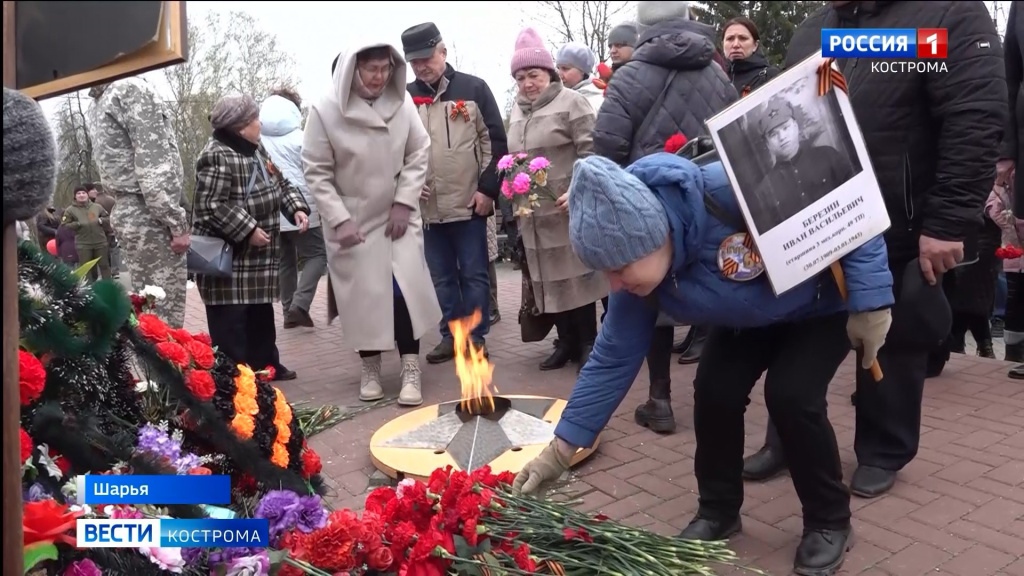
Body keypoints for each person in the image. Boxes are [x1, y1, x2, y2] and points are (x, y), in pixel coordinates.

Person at [514, 153, 894, 574]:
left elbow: (839, 195)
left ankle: (829, 521)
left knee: (792, 395)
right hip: (745, 316)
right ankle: (718, 511)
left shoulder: (727, 187)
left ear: (655, 237)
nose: (614, 285)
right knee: (714, 391)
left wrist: (872, 301)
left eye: (619, 270)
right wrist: (560, 451)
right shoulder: (637, 278)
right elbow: (611, 359)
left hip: (816, 305)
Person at [745, 0, 1005, 496]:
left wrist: (949, 220)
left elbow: (975, 118)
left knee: (893, 337)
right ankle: (785, 439)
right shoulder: (815, 30)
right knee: (793, 334)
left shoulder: (945, 15)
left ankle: (884, 447)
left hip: (900, 221)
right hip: (816, 222)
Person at [592, 0, 737, 433]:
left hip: (650, 209)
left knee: (649, 295)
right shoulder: (717, 72)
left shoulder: (629, 76)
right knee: (718, 287)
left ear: (641, 28)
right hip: (711, 204)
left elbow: (606, 151)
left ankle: (659, 399)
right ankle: (718, 391)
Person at [303, 42, 441, 407]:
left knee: (403, 291)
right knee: (363, 296)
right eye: (371, 70)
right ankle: (371, 367)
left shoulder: (402, 102)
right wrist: (339, 218)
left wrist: (404, 201)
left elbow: (418, 151)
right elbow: (316, 170)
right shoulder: (325, 109)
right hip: (354, 219)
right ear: (352, 70)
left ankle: (411, 366)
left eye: (385, 68)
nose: (380, 77)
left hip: (398, 215)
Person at [402, 22, 508, 364]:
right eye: (414, 61)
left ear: (442, 52)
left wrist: (488, 190)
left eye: (426, 58)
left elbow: (496, 144)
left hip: (469, 204)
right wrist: (406, 182)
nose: (421, 67)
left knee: (474, 274)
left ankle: (476, 338)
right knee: (441, 278)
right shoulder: (404, 98)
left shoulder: (474, 88)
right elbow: (394, 149)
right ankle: (451, 336)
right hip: (427, 210)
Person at [507, 27, 608, 373]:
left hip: (567, 208)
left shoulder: (572, 102)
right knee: (548, 281)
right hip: (534, 216)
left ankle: (587, 343)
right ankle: (564, 341)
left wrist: (578, 188)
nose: (527, 83)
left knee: (577, 279)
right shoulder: (518, 110)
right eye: (520, 77)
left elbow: (592, 150)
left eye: (533, 74)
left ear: (549, 73)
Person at [191, 95, 310, 382]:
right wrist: (247, 229)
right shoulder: (216, 154)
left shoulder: (256, 149)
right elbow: (210, 206)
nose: (260, 123)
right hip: (230, 260)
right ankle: (235, 378)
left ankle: (266, 363)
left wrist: (296, 208)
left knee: (260, 315)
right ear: (240, 126)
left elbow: (280, 183)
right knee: (231, 322)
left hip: (257, 259)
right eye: (255, 119)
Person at [85, 78, 191, 328]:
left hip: (129, 210)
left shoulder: (102, 98)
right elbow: (153, 169)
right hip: (149, 214)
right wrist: (176, 223)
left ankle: (152, 367)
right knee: (165, 323)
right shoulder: (132, 89)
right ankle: (163, 369)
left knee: (148, 312)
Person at [259, 87, 327, 329]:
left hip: (271, 208)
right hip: (301, 206)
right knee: (317, 255)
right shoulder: (302, 137)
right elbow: (315, 170)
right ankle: (300, 305)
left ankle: (289, 311)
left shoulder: (258, 140)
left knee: (285, 260)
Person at [746, 99, 856, 234]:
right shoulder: (764, 191)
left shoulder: (828, 155)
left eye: (785, 128)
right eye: (773, 134)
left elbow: (858, 194)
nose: (782, 137)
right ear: (767, 143)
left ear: (796, 127)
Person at [987, 185, 1024, 377]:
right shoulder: (1007, 181)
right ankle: (1013, 354)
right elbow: (992, 201)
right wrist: (1006, 219)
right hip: (1014, 254)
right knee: (1015, 301)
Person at [62, 185, 113, 281]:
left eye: (83, 193)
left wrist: (100, 220)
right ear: (75, 196)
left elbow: (107, 218)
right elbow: (65, 225)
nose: (81, 195)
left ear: (87, 195)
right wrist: (78, 224)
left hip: (100, 242)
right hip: (83, 244)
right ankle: (90, 290)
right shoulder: (70, 210)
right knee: (87, 268)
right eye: (78, 193)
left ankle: (108, 287)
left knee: (104, 265)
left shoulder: (97, 207)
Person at [722, 16, 780, 97]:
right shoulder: (715, 80)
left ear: (755, 45)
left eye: (743, 38)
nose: (735, 45)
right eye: (730, 39)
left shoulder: (769, 76)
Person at [555, 43, 604, 112]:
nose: (559, 74)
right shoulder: (560, 97)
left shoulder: (594, 102)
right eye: (558, 68)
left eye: (565, 68)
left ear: (582, 71)